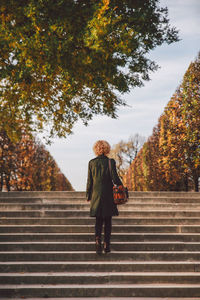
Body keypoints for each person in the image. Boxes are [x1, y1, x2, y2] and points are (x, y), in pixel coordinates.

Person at [86, 140, 122, 254]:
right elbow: (115, 178)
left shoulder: (91, 162)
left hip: (96, 195)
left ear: (95, 149)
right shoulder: (110, 162)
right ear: (107, 149)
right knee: (108, 221)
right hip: (108, 195)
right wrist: (122, 187)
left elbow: (89, 181)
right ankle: (106, 244)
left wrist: (88, 195)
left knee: (98, 221)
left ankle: (97, 241)